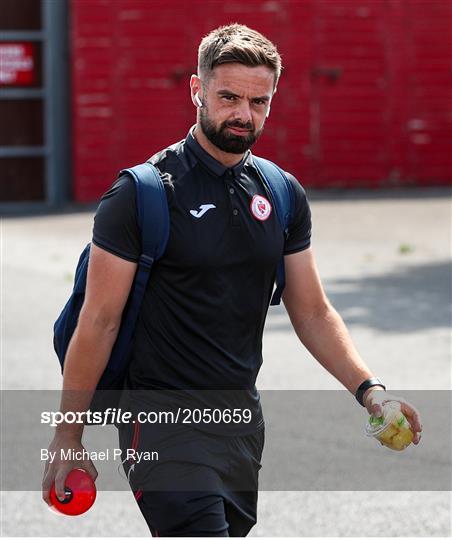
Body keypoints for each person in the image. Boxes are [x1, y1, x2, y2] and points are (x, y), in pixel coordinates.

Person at [42, 24, 422, 537]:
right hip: (159, 420)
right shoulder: (142, 193)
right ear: (196, 91)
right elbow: (100, 320)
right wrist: (69, 435)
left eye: (258, 102)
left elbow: (311, 311)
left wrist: (370, 390)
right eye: (228, 97)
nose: (244, 114)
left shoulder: (281, 193)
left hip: (242, 421)